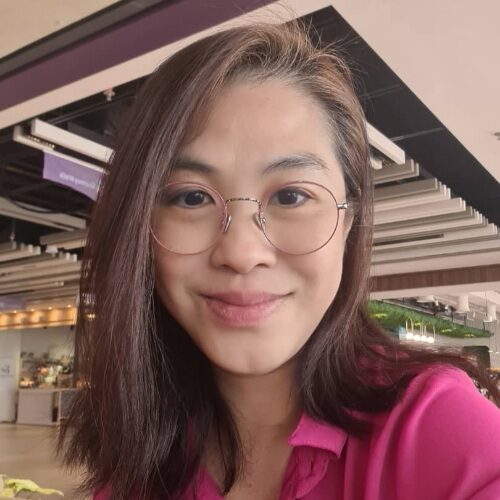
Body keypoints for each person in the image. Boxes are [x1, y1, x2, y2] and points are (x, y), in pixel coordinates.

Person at [58, 20, 500, 500]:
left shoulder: (439, 433)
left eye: (291, 196)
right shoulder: (135, 457)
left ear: (348, 225)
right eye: (191, 197)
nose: (241, 254)